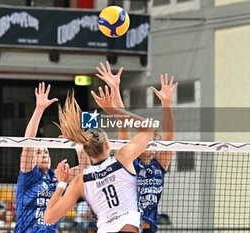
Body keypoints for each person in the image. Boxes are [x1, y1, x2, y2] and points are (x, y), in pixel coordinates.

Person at [44, 85, 155, 233]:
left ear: (85, 149)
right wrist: (113, 110)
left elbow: (49, 218)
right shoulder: (122, 159)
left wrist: (62, 183)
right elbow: (148, 127)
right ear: (108, 144)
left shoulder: (81, 180)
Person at [95, 61, 177, 233]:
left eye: (153, 144)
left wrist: (166, 103)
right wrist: (115, 88)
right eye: (147, 142)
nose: (150, 147)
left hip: (149, 229)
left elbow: (169, 136)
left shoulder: (159, 165)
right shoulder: (129, 163)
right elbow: (123, 125)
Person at [15, 82, 90, 233]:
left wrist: (77, 143)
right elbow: (28, 144)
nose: (44, 154)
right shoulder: (29, 176)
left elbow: (85, 169)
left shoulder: (56, 176)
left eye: (46, 152)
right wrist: (39, 109)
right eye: (39, 152)